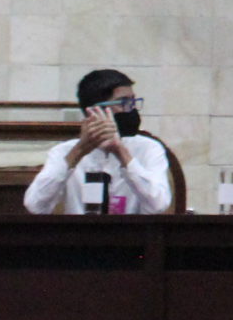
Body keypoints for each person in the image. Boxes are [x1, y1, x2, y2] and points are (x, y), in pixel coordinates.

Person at [25, 68, 175, 215]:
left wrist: (121, 151)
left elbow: (158, 205)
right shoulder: (63, 152)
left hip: (132, 231)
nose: (131, 108)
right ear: (95, 110)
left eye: (132, 101)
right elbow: (35, 206)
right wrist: (78, 151)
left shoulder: (149, 148)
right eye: (123, 102)